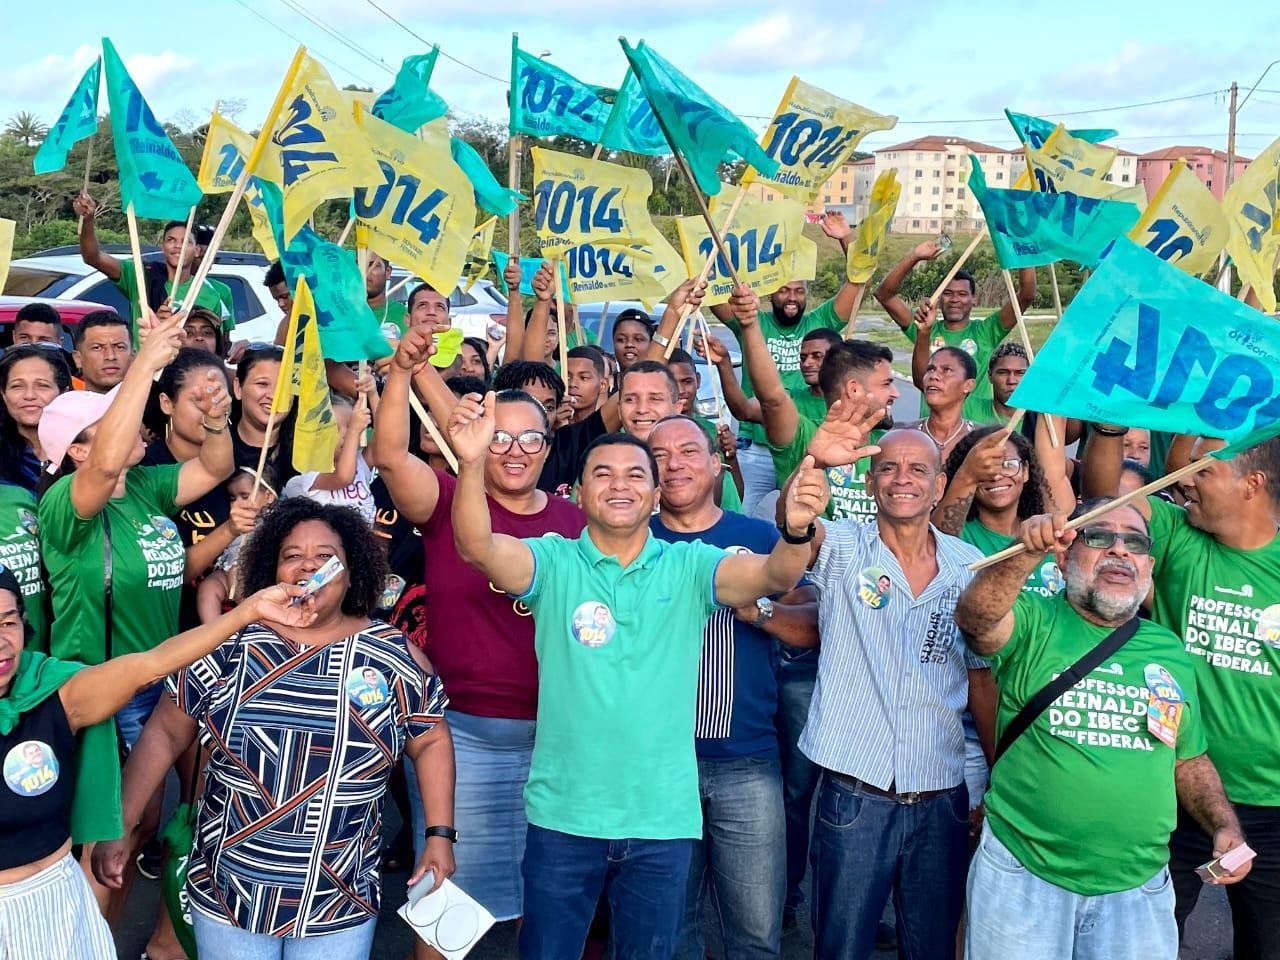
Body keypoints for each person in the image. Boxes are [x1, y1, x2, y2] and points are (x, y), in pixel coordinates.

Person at [448, 393, 831, 960]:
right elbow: (477, 548)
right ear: (578, 494)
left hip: (661, 819)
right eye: (602, 473)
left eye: (635, 474)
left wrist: (797, 531)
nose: (619, 484)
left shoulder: (693, 564)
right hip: (563, 816)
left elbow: (774, 573)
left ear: (654, 496)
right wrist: (472, 461)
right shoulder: (552, 562)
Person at [91, 498, 454, 957]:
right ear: (271, 568)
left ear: (352, 569)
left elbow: (432, 737)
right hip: (231, 889)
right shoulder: (228, 642)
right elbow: (165, 732)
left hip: (338, 894)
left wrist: (439, 835)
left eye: (326, 556)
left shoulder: (390, 655)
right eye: (292, 555)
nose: (308, 565)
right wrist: (120, 824)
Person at [954, 503, 1250, 960]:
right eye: (1099, 537)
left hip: (1138, 890)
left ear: (1149, 565)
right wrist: (1021, 552)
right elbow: (977, 622)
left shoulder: (1167, 649)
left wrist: (1224, 825)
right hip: (1023, 878)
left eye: (1135, 542)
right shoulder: (1035, 619)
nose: (1119, 550)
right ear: (1063, 556)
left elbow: (1187, 757)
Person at [372, 327, 585, 940]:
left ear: (549, 446)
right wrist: (401, 376)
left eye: (530, 439)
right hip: (461, 738)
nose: (514, 451)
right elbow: (389, 457)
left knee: (543, 903)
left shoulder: (578, 522)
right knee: (448, 905)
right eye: (500, 437)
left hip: (557, 743)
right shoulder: (445, 500)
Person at [0, 563, 315, 960]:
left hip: (53, 906)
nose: (1, 642)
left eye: (8, 622)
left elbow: (151, 665)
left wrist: (247, 612)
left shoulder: (52, 693)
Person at [788, 417, 997, 960]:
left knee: (931, 946)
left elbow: (980, 679)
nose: (902, 478)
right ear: (868, 481)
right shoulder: (841, 547)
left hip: (941, 797)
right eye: (887, 467)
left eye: (918, 469)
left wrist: (996, 774)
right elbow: (797, 534)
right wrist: (809, 469)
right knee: (842, 947)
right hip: (856, 797)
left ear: (940, 484)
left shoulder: (968, 566)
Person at [1083, 429, 1280, 959]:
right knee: (1142, 943)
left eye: (1202, 471)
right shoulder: (1177, 535)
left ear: (1252, 484)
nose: (1183, 481)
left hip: (1272, 809)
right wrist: (1108, 428)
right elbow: (1108, 495)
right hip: (1176, 793)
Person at [647, 414, 819, 960]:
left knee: (755, 933)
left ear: (717, 462)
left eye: (688, 451)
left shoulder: (759, 538)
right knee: (673, 933)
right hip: (657, 763)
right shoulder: (631, 540)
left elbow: (813, 624)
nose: (674, 465)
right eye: (659, 456)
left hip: (746, 759)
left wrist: (758, 609)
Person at [936, 421, 1074, 823]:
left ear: (1028, 470)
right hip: (976, 733)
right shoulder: (960, 540)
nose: (998, 474)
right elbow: (938, 537)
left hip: (1046, 721)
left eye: (1010, 463)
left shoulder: (1051, 537)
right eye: (986, 467)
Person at [708, 211, 863, 514]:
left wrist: (846, 238)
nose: (792, 297)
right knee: (740, 514)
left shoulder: (821, 324)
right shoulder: (752, 322)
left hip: (808, 447)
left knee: (809, 518)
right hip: (758, 445)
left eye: (799, 291)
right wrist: (721, 241)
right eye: (783, 290)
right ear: (769, 293)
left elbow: (857, 284)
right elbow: (713, 293)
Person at [875, 240, 1035, 419]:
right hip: (933, 430)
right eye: (948, 293)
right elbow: (884, 295)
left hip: (976, 431)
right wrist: (915, 257)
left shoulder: (987, 330)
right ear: (939, 297)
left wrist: (1022, 241)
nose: (954, 299)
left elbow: (1026, 295)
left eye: (962, 294)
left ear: (974, 298)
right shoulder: (924, 325)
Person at [71, 193, 234, 335]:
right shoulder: (140, 276)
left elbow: (214, 343)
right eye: (171, 240)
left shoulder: (212, 294)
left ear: (198, 250)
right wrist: (88, 219)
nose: (178, 246)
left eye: (186, 242)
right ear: (162, 247)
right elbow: (93, 257)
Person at [282, 388, 377, 525]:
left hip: (364, 542)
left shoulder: (361, 462)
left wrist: (372, 393)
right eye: (335, 429)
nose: (346, 433)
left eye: (350, 425)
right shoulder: (311, 474)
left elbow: (386, 434)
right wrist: (353, 431)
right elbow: (344, 477)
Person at [0, 344, 73, 491]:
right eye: (17, 386)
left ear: (63, 393)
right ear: (3, 394)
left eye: (42, 386)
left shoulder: (86, 450)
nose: (29, 396)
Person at [907, 345, 977, 462]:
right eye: (930, 369)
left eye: (947, 370)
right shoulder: (904, 435)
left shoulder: (981, 441)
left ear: (968, 385)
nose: (933, 376)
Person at [230, 345, 283, 469]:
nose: (273, 395)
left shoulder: (307, 454)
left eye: (283, 386)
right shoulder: (215, 451)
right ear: (238, 388)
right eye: (262, 384)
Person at [72, 311, 133, 394]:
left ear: (133, 356)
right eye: (97, 348)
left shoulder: (154, 404)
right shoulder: (63, 405)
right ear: (78, 359)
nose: (110, 356)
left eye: (120, 347)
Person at [366, 252, 409, 339]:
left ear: (388, 272)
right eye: (358, 265)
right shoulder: (338, 312)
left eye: (373, 265)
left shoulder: (404, 315)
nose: (366, 271)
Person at [564, 345, 607, 424]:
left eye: (583, 377)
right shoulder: (547, 426)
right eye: (567, 377)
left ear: (603, 385)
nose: (572, 384)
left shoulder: (608, 431)